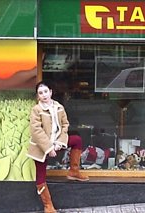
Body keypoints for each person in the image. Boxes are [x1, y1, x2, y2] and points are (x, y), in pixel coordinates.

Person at [26, 81, 89, 213]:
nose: (44, 95)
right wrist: (49, 148)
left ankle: (74, 171)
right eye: (40, 93)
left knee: (77, 140)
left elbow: (65, 125)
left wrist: (60, 142)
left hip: (58, 142)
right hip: (41, 147)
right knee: (41, 175)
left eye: (45, 91)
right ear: (38, 96)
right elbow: (36, 130)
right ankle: (48, 206)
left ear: (51, 92)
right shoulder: (36, 110)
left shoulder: (59, 107)